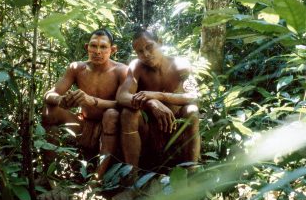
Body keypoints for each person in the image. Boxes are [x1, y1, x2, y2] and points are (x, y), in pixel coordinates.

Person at [41, 29, 127, 180]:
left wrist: (93, 101)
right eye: (93, 46)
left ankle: (97, 179)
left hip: (109, 129)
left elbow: (123, 104)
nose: (97, 52)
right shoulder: (77, 68)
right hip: (83, 125)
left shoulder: (121, 71)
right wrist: (60, 100)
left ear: (112, 50)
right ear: (87, 47)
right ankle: (49, 174)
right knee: (50, 110)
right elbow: (49, 94)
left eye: (103, 47)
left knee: (111, 114)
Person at [116, 27, 201, 172]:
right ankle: (132, 176)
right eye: (140, 51)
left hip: (176, 129)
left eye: (149, 47)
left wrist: (159, 96)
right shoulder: (137, 67)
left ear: (160, 42)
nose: (146, 54)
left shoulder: (180, 64)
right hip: (150, 132)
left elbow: (194, 96)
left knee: (192, 110)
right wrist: (150, 102)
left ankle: (192, 171)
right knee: (127, 113)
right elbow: (121, 96)